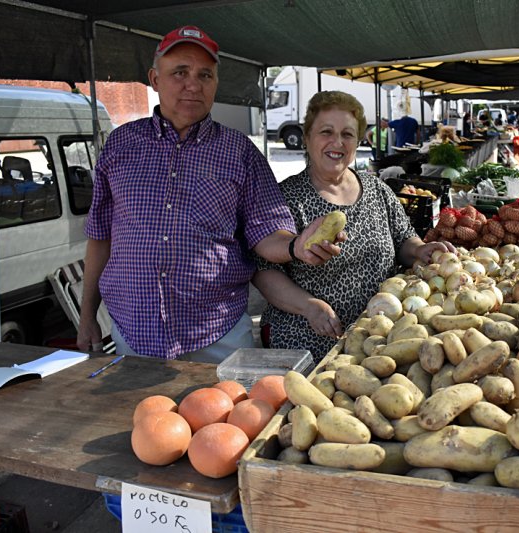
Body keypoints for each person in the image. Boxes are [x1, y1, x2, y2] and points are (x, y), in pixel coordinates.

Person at [76, 25, 342, 362]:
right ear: (155, 79)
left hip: (219, 335)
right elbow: (100, 238)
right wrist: (87, 317)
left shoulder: (240, 152)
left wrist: (296, 245)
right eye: (180, 73)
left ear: (216, 83)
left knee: (230, 414)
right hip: (134, 331)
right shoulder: (121, 145)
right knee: (143, 416)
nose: (193, 85)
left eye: (205, 75)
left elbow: (267, 233)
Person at [253, 91, 455, 363]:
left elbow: (404, 240)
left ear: (358, 140)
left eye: (347, 134)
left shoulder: (377, 189)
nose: (337, 142)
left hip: (378, 339)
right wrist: (309, 307)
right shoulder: (284, 197)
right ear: (307, 137)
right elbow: (263, 271)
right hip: (308, 339)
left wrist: (421, 250)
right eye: (326, 132)